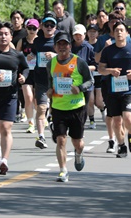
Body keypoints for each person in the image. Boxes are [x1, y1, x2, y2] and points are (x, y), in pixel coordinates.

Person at [46, 32, 93, 182]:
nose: (62, 47)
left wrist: (79, 88)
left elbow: (90, 81)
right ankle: (63, 170)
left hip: (76, 108)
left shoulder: (79, 62)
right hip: (59, 107)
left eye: (65, 44)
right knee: (61, 140)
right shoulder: (50, 63)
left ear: (70, 46)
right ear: (55, 47)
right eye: (59, 44)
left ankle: (78, 154)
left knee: (77, 142)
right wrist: (49, 91)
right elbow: (49, 81)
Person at [0, 22, 29, 175]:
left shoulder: (17, 55)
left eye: (6, 34)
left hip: (10, 96)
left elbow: (26, 68)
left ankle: (4, 160)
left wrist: (23, 78)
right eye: (0, 34)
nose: (3, 37)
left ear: (11, 36)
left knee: (6, 128)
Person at [98, 20, 131, 158]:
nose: (119, 33)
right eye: (116, 30)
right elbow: (100, 69)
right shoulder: (108, 50)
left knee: (128, 117)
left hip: (129, 88)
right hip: (112, 89)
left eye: (121, 30)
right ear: (113, 33)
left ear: (126, 33)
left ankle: (130, 134)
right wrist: (110, 71)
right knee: (117, 121)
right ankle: (121, 146)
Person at [29, 12, 58, 149]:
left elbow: (69, 57)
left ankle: (52, 122)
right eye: (46, 25)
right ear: (42, 26)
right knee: (41, 108)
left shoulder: (59, 41)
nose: (49, 27)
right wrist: (29, 56)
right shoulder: (37, 41)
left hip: (57, 80)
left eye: (52, 25)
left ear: (55, 27)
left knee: (55, 108)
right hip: (40, 79)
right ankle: (41, 136)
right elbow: (33, 53)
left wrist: (55, 55)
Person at [71, 24, 97, 129]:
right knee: (72, 105)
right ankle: (73, 125)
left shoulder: (89, 48)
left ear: (84, 35)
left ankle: (80, 126)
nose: (78, 37)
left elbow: (95, 66)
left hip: (86, 81)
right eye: (75, 35)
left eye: (80, 35)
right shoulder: (69, 47)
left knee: (83, 106)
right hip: (72, 81)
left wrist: (83, 68)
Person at [16, 18, 39, 133]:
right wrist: (24, 58)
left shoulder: (40, 41)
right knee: (28, 97)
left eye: (34, 28)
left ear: (38, 29)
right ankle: (31, 123)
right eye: (29, 28)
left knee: (37, 100)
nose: (31, 30)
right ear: (26, 29)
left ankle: (41, 117)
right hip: (26, 72)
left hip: (39, 72)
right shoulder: (22, 41)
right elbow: (16, 56)